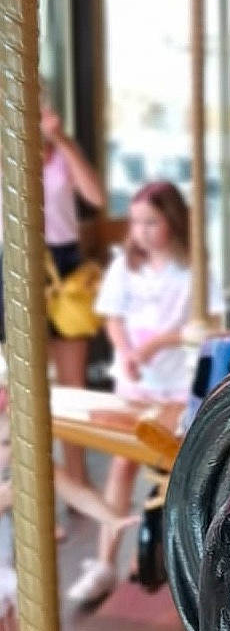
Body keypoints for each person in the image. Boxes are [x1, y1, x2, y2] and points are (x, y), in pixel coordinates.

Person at [68, 181, 194, 606]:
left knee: (171, 461)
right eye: (136, 222)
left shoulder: (192, 269)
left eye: (151, 222)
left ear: (172, 222)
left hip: (176, 380)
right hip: (135, 380)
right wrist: (127, 351)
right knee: (122, 462)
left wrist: (157, 344)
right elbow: (113, 316)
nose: (140, 230)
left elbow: (198, 324)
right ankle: (106, 559)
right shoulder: (126, 266)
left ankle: (165, 553)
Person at [0, 94, 106, 497]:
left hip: (63, 264)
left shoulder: (62, 152)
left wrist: (60, 139)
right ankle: (32, 493)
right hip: (16, 261)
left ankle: (77, 482)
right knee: (24, 385)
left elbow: (95, 199)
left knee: (71, 385)